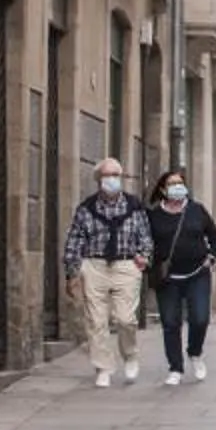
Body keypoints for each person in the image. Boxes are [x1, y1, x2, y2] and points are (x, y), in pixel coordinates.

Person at [60, 156, 152, 389]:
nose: (111, 179)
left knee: (126, 319)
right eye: (107, 175)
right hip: (95, 265)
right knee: (96, 320)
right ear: (98, 179)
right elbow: (75, 239)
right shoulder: (86, 208)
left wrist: (143, 255)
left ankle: (130, 355)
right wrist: (72, 272)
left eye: (115, 175)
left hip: (126, 265)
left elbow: (145, 235)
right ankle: (103, 367)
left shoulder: (134, 206)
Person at [143, 167, 216, 387]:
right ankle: (175, 368)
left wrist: (211, 257)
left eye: (180, 183)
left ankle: (195, 352)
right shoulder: (153, 216)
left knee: (200, 318)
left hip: (197, 273)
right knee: (171, 322)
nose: (177, 187)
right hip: (168, 278)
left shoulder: (196, 210)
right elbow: (145, 244)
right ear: (163, 189)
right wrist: (146, 261)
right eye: (172, 184)